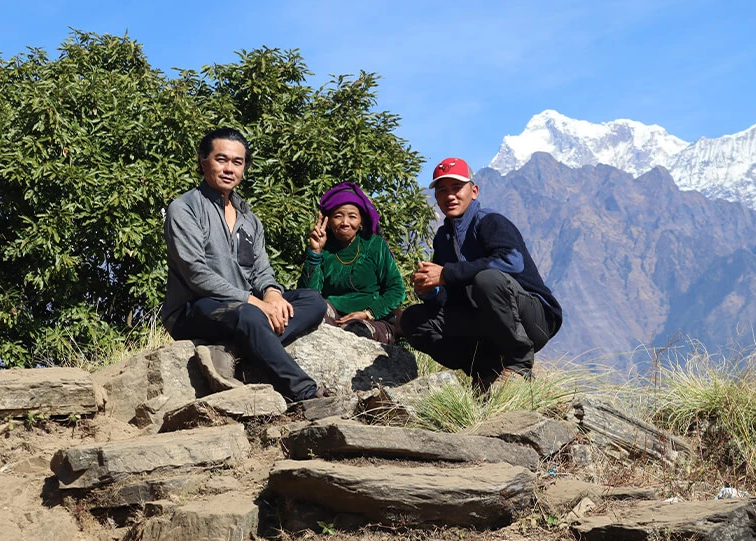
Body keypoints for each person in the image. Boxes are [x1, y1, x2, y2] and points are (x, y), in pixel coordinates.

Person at [160, 127, 330, 402]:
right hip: (195, 309)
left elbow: (262, 270)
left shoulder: (249, 219)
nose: (229, 168)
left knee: (313, 301)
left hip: (243, 309)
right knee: (249, 316)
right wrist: (255, 303)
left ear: (244, 168)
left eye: (237, 162)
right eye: (221, 159)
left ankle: (240, 349)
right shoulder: (185, 208)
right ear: (204, 163)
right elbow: (195, 274)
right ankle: (305, 393)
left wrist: (273, 295)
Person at [401, 157, 562, 390]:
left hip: (534, 319)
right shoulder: (443, 238)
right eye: (442, 191)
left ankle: (519, 364)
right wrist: (432, 291)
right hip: (489, 321)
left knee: (487, 279)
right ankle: (485, 372)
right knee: (414, 320)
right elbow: (452, 297)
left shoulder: (490, 222)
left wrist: (447, 273)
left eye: (457, 188)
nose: (450, 196)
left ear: (474, 191)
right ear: (435, 198)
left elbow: (511, 261)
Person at [298, 182, 405, 344]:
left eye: (352, 216)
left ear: (361, 222)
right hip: (334, 316)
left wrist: (367, 313)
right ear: (328, 221)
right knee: (309, 315)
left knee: (357, 331)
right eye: (338, 216)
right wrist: (315, 252)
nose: (345, 222)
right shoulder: (325, 249)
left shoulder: (374, 245)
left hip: (371, 318)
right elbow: (309, 294)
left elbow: (396, 290)